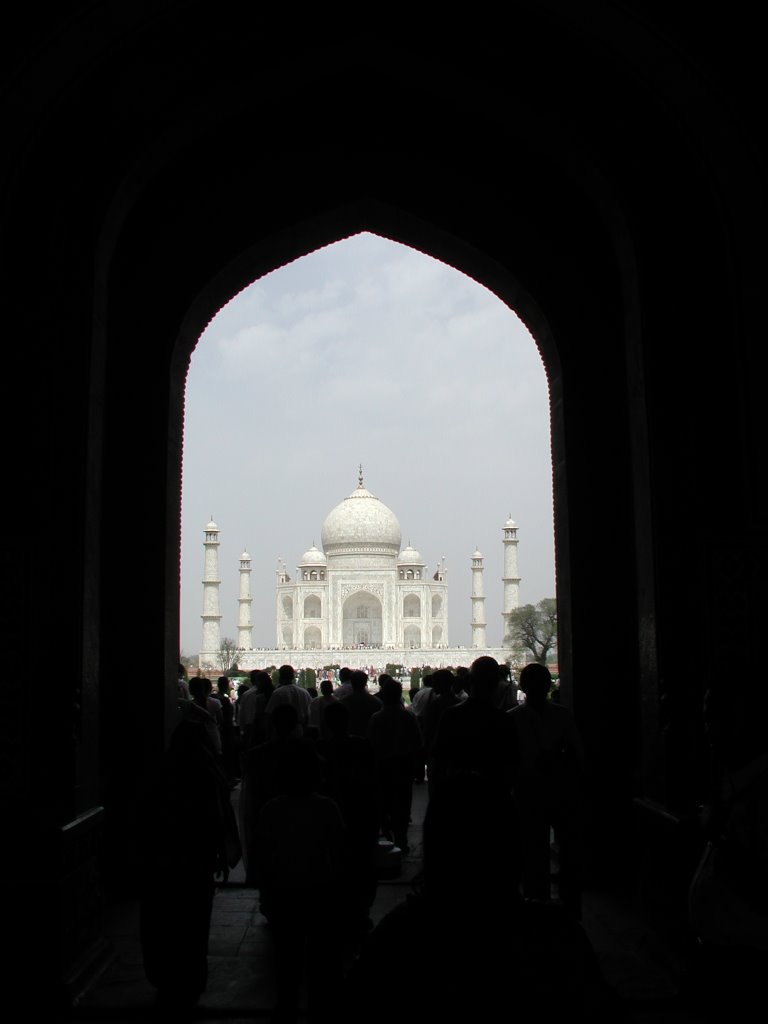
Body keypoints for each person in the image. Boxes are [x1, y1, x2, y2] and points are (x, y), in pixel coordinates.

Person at [508, 662, 585, 915]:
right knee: (536, 849)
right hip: (534, 790)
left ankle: (559, 903)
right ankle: (540, 903)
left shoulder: (517, 718)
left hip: (553, 790)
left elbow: (575, 754)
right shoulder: (519, 718)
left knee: (548, 848)